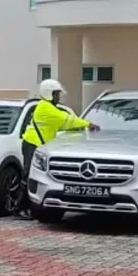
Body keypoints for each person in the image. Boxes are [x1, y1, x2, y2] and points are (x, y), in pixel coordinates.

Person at [15, 79, 98, 219]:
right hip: (32, 144)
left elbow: (63, 125)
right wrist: (87, 124)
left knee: (33, 175)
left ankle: (28, 206)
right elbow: (66, 120)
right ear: (49, 94)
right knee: (28, 175)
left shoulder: (47, 107)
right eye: (56, 94)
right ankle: (20, 208)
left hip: (37, 144)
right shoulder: (45, 107)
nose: (58, 97)